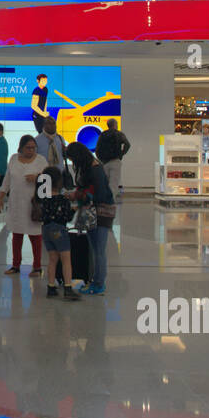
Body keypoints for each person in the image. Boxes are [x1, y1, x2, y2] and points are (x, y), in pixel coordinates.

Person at [67, 141, 114, 295]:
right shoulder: (91, 167)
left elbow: (99, 194)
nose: (73, 162)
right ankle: (96, 281)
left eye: (73, 159)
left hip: (100, 212)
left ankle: (99, 284)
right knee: (95, 249)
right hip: (95, 211)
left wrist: (80, 196)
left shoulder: (95, 169)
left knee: (99, 250)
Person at [0, 135, 45, 276]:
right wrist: (1, 197)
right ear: (21, 147)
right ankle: (15, 265)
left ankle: (37, 267)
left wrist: (38, 178)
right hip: (16, 204)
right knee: (16, 235)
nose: (31, 150)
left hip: (33, 205)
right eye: (28, 148)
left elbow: (49, 182)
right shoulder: (13, 159)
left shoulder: (41, 161)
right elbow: (7, 180)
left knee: (35, 236)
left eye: (33, 148)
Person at [35, 166, 81, 301]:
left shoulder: (42, 198)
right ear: (59, 182)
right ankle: (68, 288)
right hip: (58, 231)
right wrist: (75, 208)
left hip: (46, 231)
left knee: (52, 259)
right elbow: (67, 217)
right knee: (66, 259)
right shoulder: (62, 199)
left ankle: (51, 287)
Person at [94, 117, 130, 202]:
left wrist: (101, 159)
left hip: (105, 162)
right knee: (113, 184)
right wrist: (121, 154)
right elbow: (127, 144)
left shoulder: (102, 135)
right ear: (115, 125)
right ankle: (110, 201)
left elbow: (97, 149)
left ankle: (104, 200)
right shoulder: (119, 134)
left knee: (105, 183)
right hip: (115, 161)